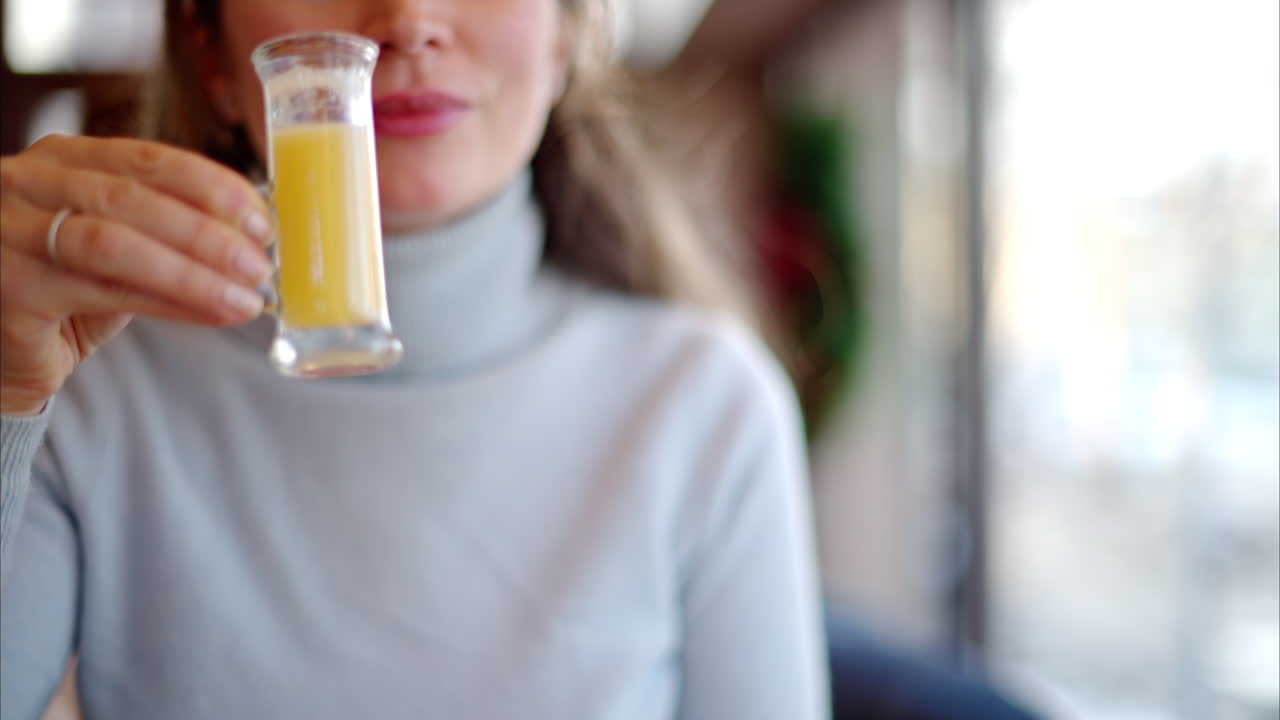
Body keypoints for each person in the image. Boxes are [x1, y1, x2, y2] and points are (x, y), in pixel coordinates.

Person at [0, 1, 828, 718]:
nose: (408, 21)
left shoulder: (707, 409)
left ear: (567, 33)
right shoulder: (70, 379)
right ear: (210, 51)